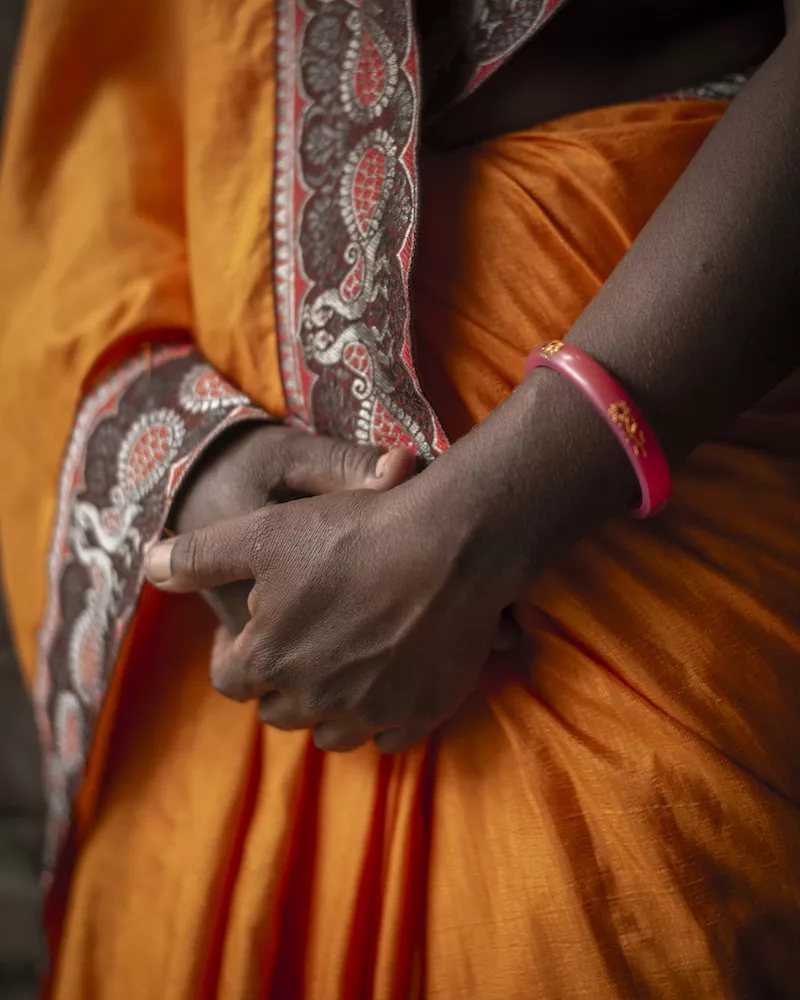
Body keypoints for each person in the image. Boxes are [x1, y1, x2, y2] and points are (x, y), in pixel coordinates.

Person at [1, 0, 799, 996]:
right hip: (250, 640)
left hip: (653, 532)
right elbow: (97, 123)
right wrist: (192, 460)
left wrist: (489, 517)